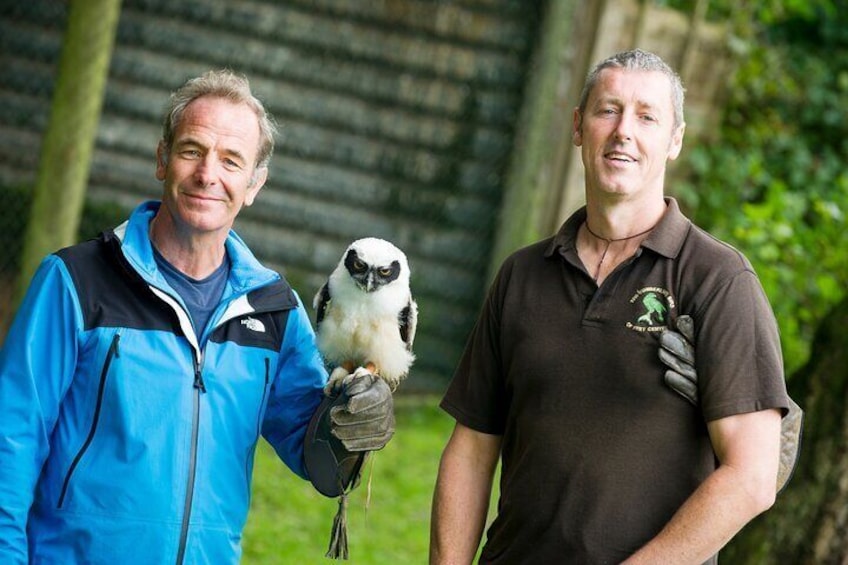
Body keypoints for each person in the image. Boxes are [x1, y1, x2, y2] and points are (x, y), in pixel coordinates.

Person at [0, 69, 393, 563]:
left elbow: (315, 454)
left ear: (254, 184)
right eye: (192, 150)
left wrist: (353, 419)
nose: (209, 174)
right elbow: (9, 442)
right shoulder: (76, 281)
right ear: (162, 159)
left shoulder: (274, 309)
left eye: (231, 161)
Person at [429, 49, 789, 564]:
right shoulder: (522, 275)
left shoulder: (717, 279)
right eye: (608, 110)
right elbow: (472, 449)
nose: (624, 131)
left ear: (675, 140)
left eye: (647, 117)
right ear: (579, 127)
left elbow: (752, 477)